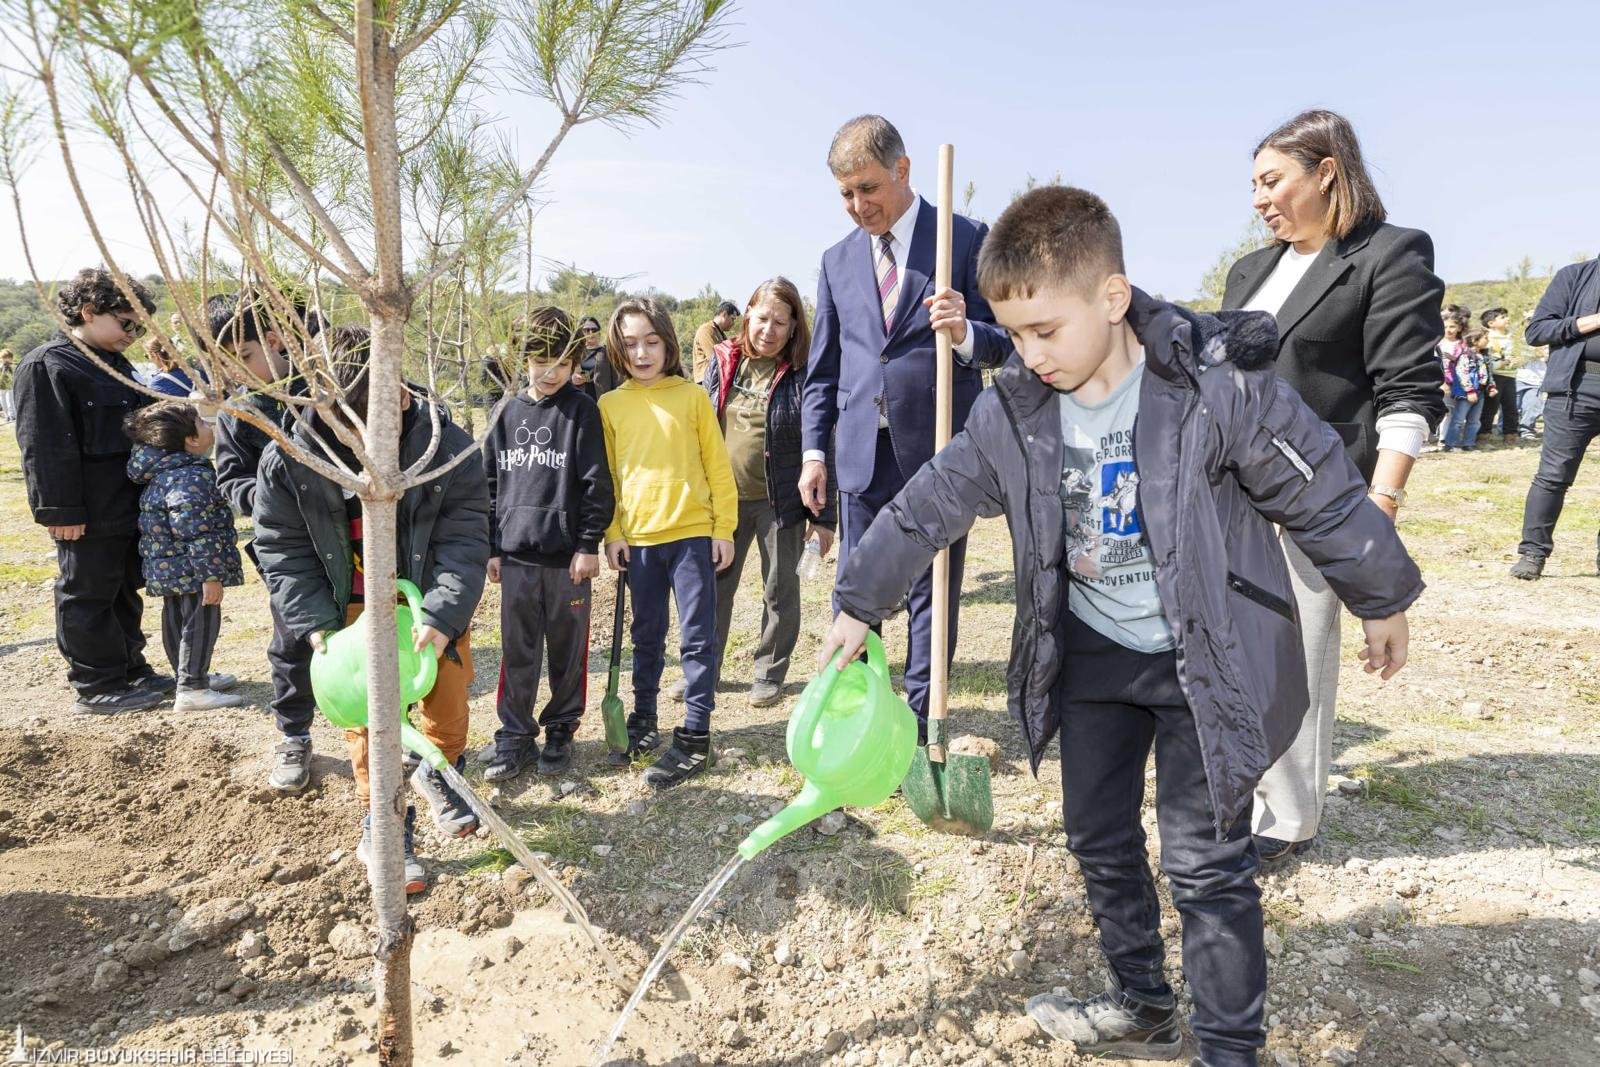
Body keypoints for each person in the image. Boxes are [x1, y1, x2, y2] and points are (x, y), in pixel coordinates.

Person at [822, 186, 1420, 1067]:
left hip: (1203, 656)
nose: (1028, 354)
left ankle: (1228, 1050)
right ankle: (1145, 1004)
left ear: (1111, 298)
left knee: (1206, 868)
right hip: (1094, 654)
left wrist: (1381, 594)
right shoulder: (1014, 410)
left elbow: (1318, 486)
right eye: (1014, 334)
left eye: (1045, 331)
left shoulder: (1215, 390)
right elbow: (926, 506)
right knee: (1097, 836)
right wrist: (858, 598)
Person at [1220, 109, 1444, 864]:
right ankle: (1247, 789)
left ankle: (1289, 819)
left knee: (1295, 654)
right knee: (1236, 650)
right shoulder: (1250, 272)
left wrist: (1376, 515)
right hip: (1232, 492)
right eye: (1252, 184)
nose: (1258, 198)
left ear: (1326, 171)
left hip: (1318, 495)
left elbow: (1408, 393)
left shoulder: (1388, 257)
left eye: (1271, 179)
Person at [252, 325, 490, 892]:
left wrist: (442, 614)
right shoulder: (287, 456)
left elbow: (466, 535)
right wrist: (316, 625)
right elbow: (281, 546)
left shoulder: (445, 446)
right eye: (345, 422)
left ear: (400, 393)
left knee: (447, 700)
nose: (362, 435)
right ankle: (385, 821)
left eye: (379, 415)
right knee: (370, 718)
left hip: (426, 598)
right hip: (346, 604)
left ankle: (441, 771)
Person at [799, 114, 1010, 730]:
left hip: (940, 452)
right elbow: (824, 368)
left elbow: (1013, 343)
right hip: (861, 453)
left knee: (931, 588)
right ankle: (859, 717)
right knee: (856, 589)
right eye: (845, 194)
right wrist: (816, 452)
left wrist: (968, 330)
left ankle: (919, 723)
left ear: (903, 170)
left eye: (868, 188)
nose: (858, 205)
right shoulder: (836, 261)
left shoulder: (964, 239)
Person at [14, 268, 170, 714]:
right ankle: (96, 683)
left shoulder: (116, 366)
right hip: (84, 509)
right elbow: (43, 444)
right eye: (126, 323)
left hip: (126, 503)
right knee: (88, 591)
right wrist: (59, 510)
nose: (133, 335)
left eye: (139, 327)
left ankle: (130, 668)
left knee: (123, 587)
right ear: (89, 311)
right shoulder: (48, 365)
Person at [599, 297, 736, 788]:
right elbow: (610, 478)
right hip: (639, 542)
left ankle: (696, 734)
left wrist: (723, 527)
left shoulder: (693, 397)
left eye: (651, 341)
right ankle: (643, 719)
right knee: (647, 636)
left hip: (692, 535)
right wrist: (613, 533)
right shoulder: (610, 405)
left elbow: (718, 467)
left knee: (696, 637)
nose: (642, 353)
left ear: (668, 343)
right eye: (631, 344)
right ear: (618, 350)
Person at [483, 308, 613, 780]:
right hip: (515, 556)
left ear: (574, 360)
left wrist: (587, 544)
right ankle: (514, 735)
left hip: (567, 562)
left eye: (561, 362)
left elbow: (598, 484)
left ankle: (561, 728)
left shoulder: (582, 411)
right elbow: (490, 484)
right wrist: (492, 548)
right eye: (540, 362)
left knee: (566, 649)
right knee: (517, 650)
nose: (551, 372)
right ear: (524, 359)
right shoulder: (505, 412)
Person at [207, 291, 325, 792]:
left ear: (276, 340)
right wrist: (276, 494)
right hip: (285, 549)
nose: (240, 371)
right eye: (229, 363)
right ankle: (294, 734)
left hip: (353, 543)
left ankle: (392, 731)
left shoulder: (327, 395)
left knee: (374, 637)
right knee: (291, 641)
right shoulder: (239, 413)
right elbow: (231, 482)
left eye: (247, 357)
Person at [701, 277, 836, 707]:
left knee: (780, 589)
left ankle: (769, 673)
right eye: (762, 318)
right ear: (747, 317)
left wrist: (825, 516)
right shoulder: (723, 361)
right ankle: (705, 669)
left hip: (781, 503)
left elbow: (824, 440)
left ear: (795, 326)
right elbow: (700, 428)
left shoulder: (804, 373)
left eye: (781, 321)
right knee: (712, 588)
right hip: (723, 501)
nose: (769, 329)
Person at [124, 401, 246, 711]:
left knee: (176, 620)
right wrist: (210, 575)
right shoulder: (190, 475)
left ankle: (188, 677)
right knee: (201, 622)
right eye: (203, 425)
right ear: (190, 440)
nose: (209, 427)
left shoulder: (163, 471)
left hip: (169, 567)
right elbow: (195, 529)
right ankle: (193, 687)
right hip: (193, 569)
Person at [1512, 255, 1600, 580]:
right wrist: (1591, 321)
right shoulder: (1575, 275)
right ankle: (1532, 554)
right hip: (1577, 387)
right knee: (1553, 476)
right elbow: (1536, 331)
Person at [1479, 307, 1522, 444]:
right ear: (1491, 323)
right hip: (1494, 377)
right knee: (1490, 407)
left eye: (1506, 316)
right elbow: (1486, 360)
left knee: (1511, 407)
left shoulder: (1512, 337)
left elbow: (1518, 354)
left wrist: (1517, 361)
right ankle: (1483, 435)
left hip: (1510, 376)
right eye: (1502, 317)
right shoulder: (1487, 338)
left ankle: (1510, 435)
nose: (1507, 319)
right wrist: (1503, 363)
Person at [1443, 329, 1490, 452]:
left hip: (1480, 392)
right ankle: (1450, 444)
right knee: (1458, 419)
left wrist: (1490, 386)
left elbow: (1486, 373)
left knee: (1474, 420)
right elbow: (1462, 373)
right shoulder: (1465, 356)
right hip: (1467, 393)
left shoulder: (1483, 356)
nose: (1487, 341)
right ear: (1474, 341)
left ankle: (1469, 444)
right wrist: (1469, 391)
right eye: (1485, 338)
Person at [690, 301, 738, 383]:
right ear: (724, 314)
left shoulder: (720, 333)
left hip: (715, 380)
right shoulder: (706, 330)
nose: (733, 323)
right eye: (732, 319)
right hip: (706, 381)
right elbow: (715, 357)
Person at [574, 315, 617, 398]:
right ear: (581, 332)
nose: (591, 333)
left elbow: (617, 379)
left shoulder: (608, 352)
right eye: (587, 330)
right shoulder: (575, 353)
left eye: (594, 330)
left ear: (599, 333)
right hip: (580, 400)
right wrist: (572, 379)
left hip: (602, 401)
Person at [0, 348, 16, 422]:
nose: (6, 359)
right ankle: (7, 415)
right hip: (1, 386)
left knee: (10, 401)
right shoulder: (1, 366)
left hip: (10, 386)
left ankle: (12, 415)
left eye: (8, 358)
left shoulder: (12, 366)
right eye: (5, 358)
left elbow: (13, 375)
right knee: (3, 402)